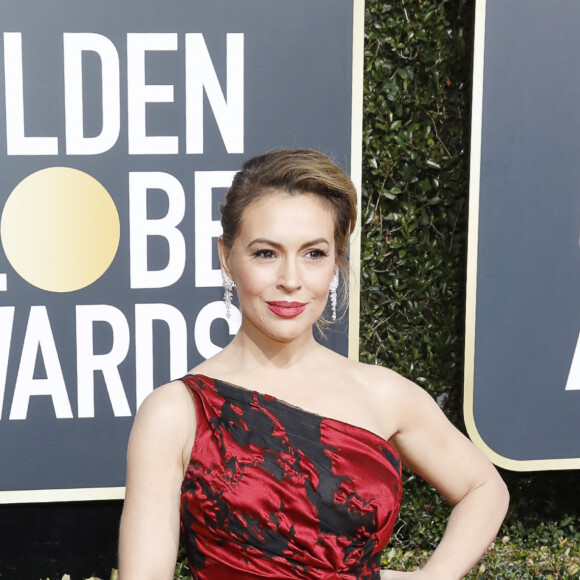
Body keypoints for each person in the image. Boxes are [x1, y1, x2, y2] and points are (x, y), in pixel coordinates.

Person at [118, 149, 509, 580]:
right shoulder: (176, 413)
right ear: (227, 258)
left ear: (336, 262)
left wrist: (432, 577)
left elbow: (484, 488)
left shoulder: (382, 393)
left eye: (314, 254)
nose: (291, 279)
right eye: (266, 253)